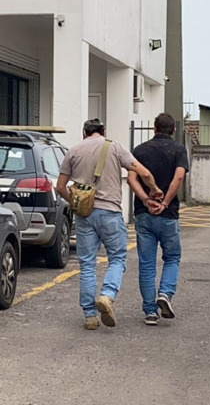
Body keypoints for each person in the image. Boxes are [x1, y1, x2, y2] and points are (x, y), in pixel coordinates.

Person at [57, 119, 162, 330]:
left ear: (84, 132)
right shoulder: (115, 147)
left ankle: (90, 316)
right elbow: (144, 173)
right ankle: (107, 295)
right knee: (117, 258)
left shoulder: (73, 151)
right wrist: (154, 190)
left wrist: (77, 203)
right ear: (104, 131)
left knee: (87, 264)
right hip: (111, 213)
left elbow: (60, 187)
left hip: (85, 215)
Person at [127, 113, 189, 325]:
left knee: (147, 264)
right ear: (174, 130)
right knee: (172, 258)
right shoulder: (179, 150)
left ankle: (150, 312)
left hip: (144, 214)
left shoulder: (140, 150)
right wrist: (165, 203)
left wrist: (146, 200)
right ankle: (165, 294)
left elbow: (131, 178)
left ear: (154, 128)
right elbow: (178, 177)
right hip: (168, 215)